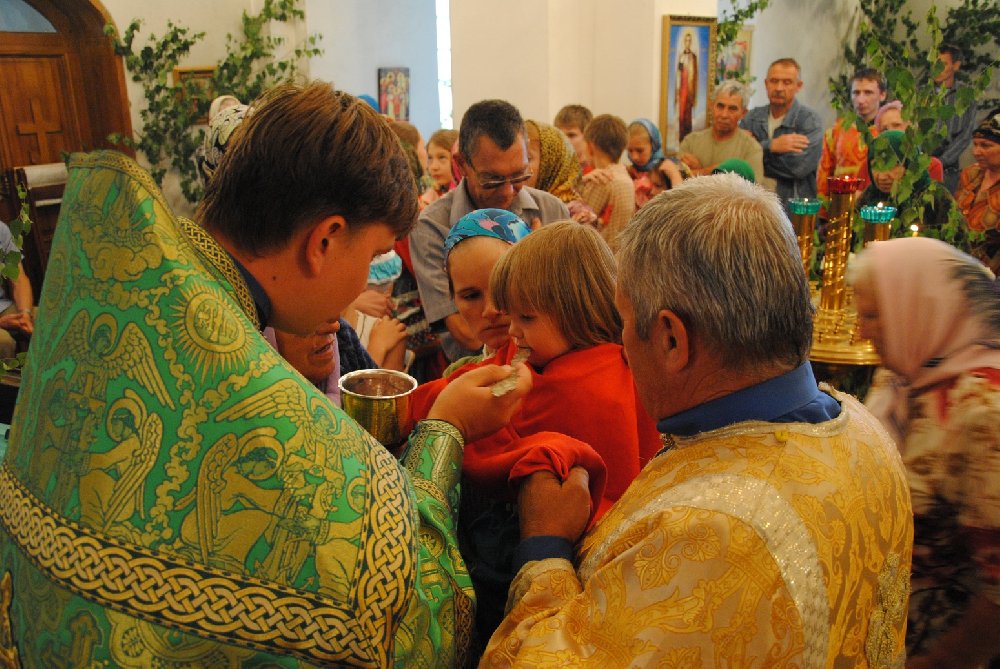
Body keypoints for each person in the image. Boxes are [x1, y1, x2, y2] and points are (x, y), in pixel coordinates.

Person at [0, 81, 534, 667]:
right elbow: (413, 620)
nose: (365, 282)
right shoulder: (259, 408)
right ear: (324, 240)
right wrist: (446, 429)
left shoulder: (120, 288)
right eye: (373, 254)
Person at [481, 173, 914, 667]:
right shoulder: (868, 431)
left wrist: (545, 545)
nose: (622, 346)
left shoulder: (710, 536)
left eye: (625, 321)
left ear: (671, 338)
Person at [410, 217, 660, 659]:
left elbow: (500, 445)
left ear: (575, 311)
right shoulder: (556, 352)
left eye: (524, 317)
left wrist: (435, 414)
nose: (511, 331)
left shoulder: (586, 382)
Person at [849, 237, 1000, 669]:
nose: (861, 331)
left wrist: (940, 661)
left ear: (920, 308)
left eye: (873, 315)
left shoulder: (983, 409)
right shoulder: (904, 378)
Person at [411, 99, 569, 363]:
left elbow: (570, 313)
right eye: (492, 180)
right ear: (461, 164)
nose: (507, 192)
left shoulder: (551, 211)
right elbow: (468, 335)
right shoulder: (433, 226)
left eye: (519, 177)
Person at [857, 129, 966, 249]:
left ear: (910, 165)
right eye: (875, 166)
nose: (882, 176)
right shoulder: (870, 197)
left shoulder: (935, 199)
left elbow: (959, 250)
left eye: (892, 165)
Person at [741, 57, 824, 207]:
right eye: (774, 81)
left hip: (794, 208)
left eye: (787, 82)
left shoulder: (810, 121)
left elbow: (797, 168)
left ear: (798, 86)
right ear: (766, 83)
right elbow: (739, 159)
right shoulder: (751, 118)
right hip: (753, 206)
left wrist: (756, 154)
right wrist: (771, 146)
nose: (779, 88)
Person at [817, 67, 888, 199]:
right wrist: (824, 207)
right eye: (856, 93)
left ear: (882, 95)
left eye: (868, 93)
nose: (861, 100)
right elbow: (824, 175)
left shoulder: (888, 130)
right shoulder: (837, 130)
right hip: (841, 201)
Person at [679, 80, 764, 183]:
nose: (724, 115)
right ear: (711, 106)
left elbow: (753, 188)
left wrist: (699, 171)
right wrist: (720, 171)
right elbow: (675, 178)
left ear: (743, 113)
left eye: (732, 109)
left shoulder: (751, 148)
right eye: (720, 106)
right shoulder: (691, 141)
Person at [580, 114, 635, 249]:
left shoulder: (601, 180)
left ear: (590, 147)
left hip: (598, 253)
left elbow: (578, 225)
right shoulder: (625, 176)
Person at [956, 107, 1000, 273]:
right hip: (961, 264)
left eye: (986, 145)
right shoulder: (970, 174)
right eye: (975, 145)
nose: (976, 152)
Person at [933, 44, 978, 193]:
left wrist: (941, 162)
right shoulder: (920, 94)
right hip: (919, 166)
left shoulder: (966, 95)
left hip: (948, 170)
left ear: (956, 65)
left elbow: (966, 135)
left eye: (943, 64)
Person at [874, 101, 944, 182]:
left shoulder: (931, 166)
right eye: (884, 129)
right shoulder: (872, 166)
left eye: (896, 125)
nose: (890, 132)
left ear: (912, 129)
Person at [0, 220, 34, 359]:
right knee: (3, 342)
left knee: (52, 320)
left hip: (3, 307)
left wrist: (25, 314)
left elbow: (19, 279)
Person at [422, 128, 460, 206]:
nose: (434, 167)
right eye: (430, 158)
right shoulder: (427, 199)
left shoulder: (465, 197)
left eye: (442, 157)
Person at [554, 103, 594, 172]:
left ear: (588, 137)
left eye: (571, 135)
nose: (564, 140)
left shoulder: (599, 171)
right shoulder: (553, 171)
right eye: (560, 135)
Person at [675, 29, 698, 141]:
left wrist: (694, 94)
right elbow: (679, 73)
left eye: (689, 41)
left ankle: (688, 138)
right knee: (682, 113)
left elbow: (696, 76)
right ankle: (681, 137)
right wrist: (677, 90)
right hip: (682, 89)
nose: (687, 43)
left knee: (688, 114)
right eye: (686, 40)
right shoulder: (681, 57)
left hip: (690, 89)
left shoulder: (693, 57)